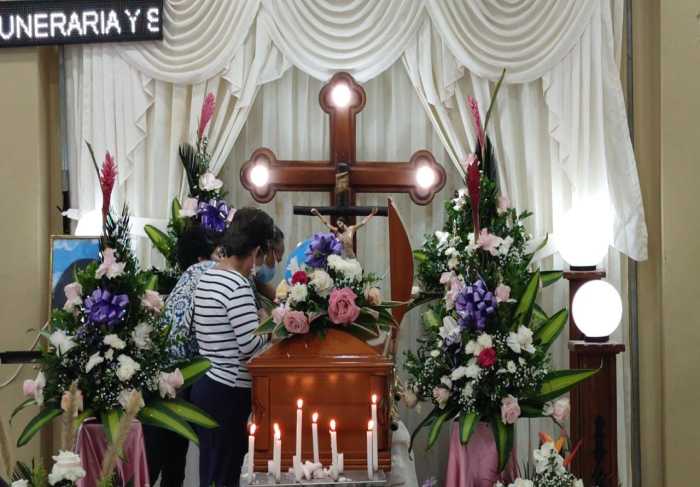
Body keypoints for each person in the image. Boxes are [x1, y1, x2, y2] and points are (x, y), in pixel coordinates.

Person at [190, 207, 274, 487]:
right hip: (227, 392)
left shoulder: (209, 275)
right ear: (256, 250)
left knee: (212, 473)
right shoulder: (236, 285)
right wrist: (269, 325)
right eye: (261, 257)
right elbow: (249, 345)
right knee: (225, 475)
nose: (258, 265)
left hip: (207, 384)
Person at [143, 225, 219, 487]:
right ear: (202, 257)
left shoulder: (183, 279)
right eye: (218, 252)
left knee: (160, 462)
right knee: (173, 466)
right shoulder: (209, 272)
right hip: (183, 379)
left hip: (158, 381)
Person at [253, 225, 285, 301]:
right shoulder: (240, 284)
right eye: (277, 259)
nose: (275, 264)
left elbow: (260, 285)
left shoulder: (253, 280)